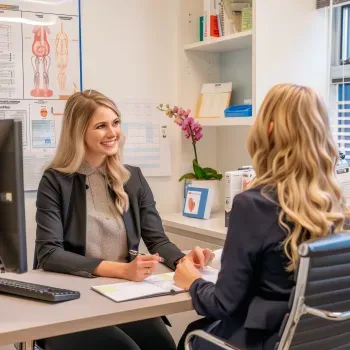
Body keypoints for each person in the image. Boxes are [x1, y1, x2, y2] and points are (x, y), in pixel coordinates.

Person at [33, 89, 214, 350]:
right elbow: (49, 254)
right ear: (79, 132)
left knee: (162, 346)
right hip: (71, 299)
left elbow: (157, 239)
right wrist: (123, 270)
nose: (112, 132)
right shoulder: (55, 181)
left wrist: (184, 261)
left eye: (116, 123)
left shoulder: (133, 178)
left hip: (120, 293)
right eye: (101, 126)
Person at [174, 84, 347, 350]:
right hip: (315, 341)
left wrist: (192, 282)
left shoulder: (253, 204)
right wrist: (222, 255)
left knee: (193, 335)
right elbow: (279, 259)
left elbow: (223, 303)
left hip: (262, 340)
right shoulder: (333, 204)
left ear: (268, 129)